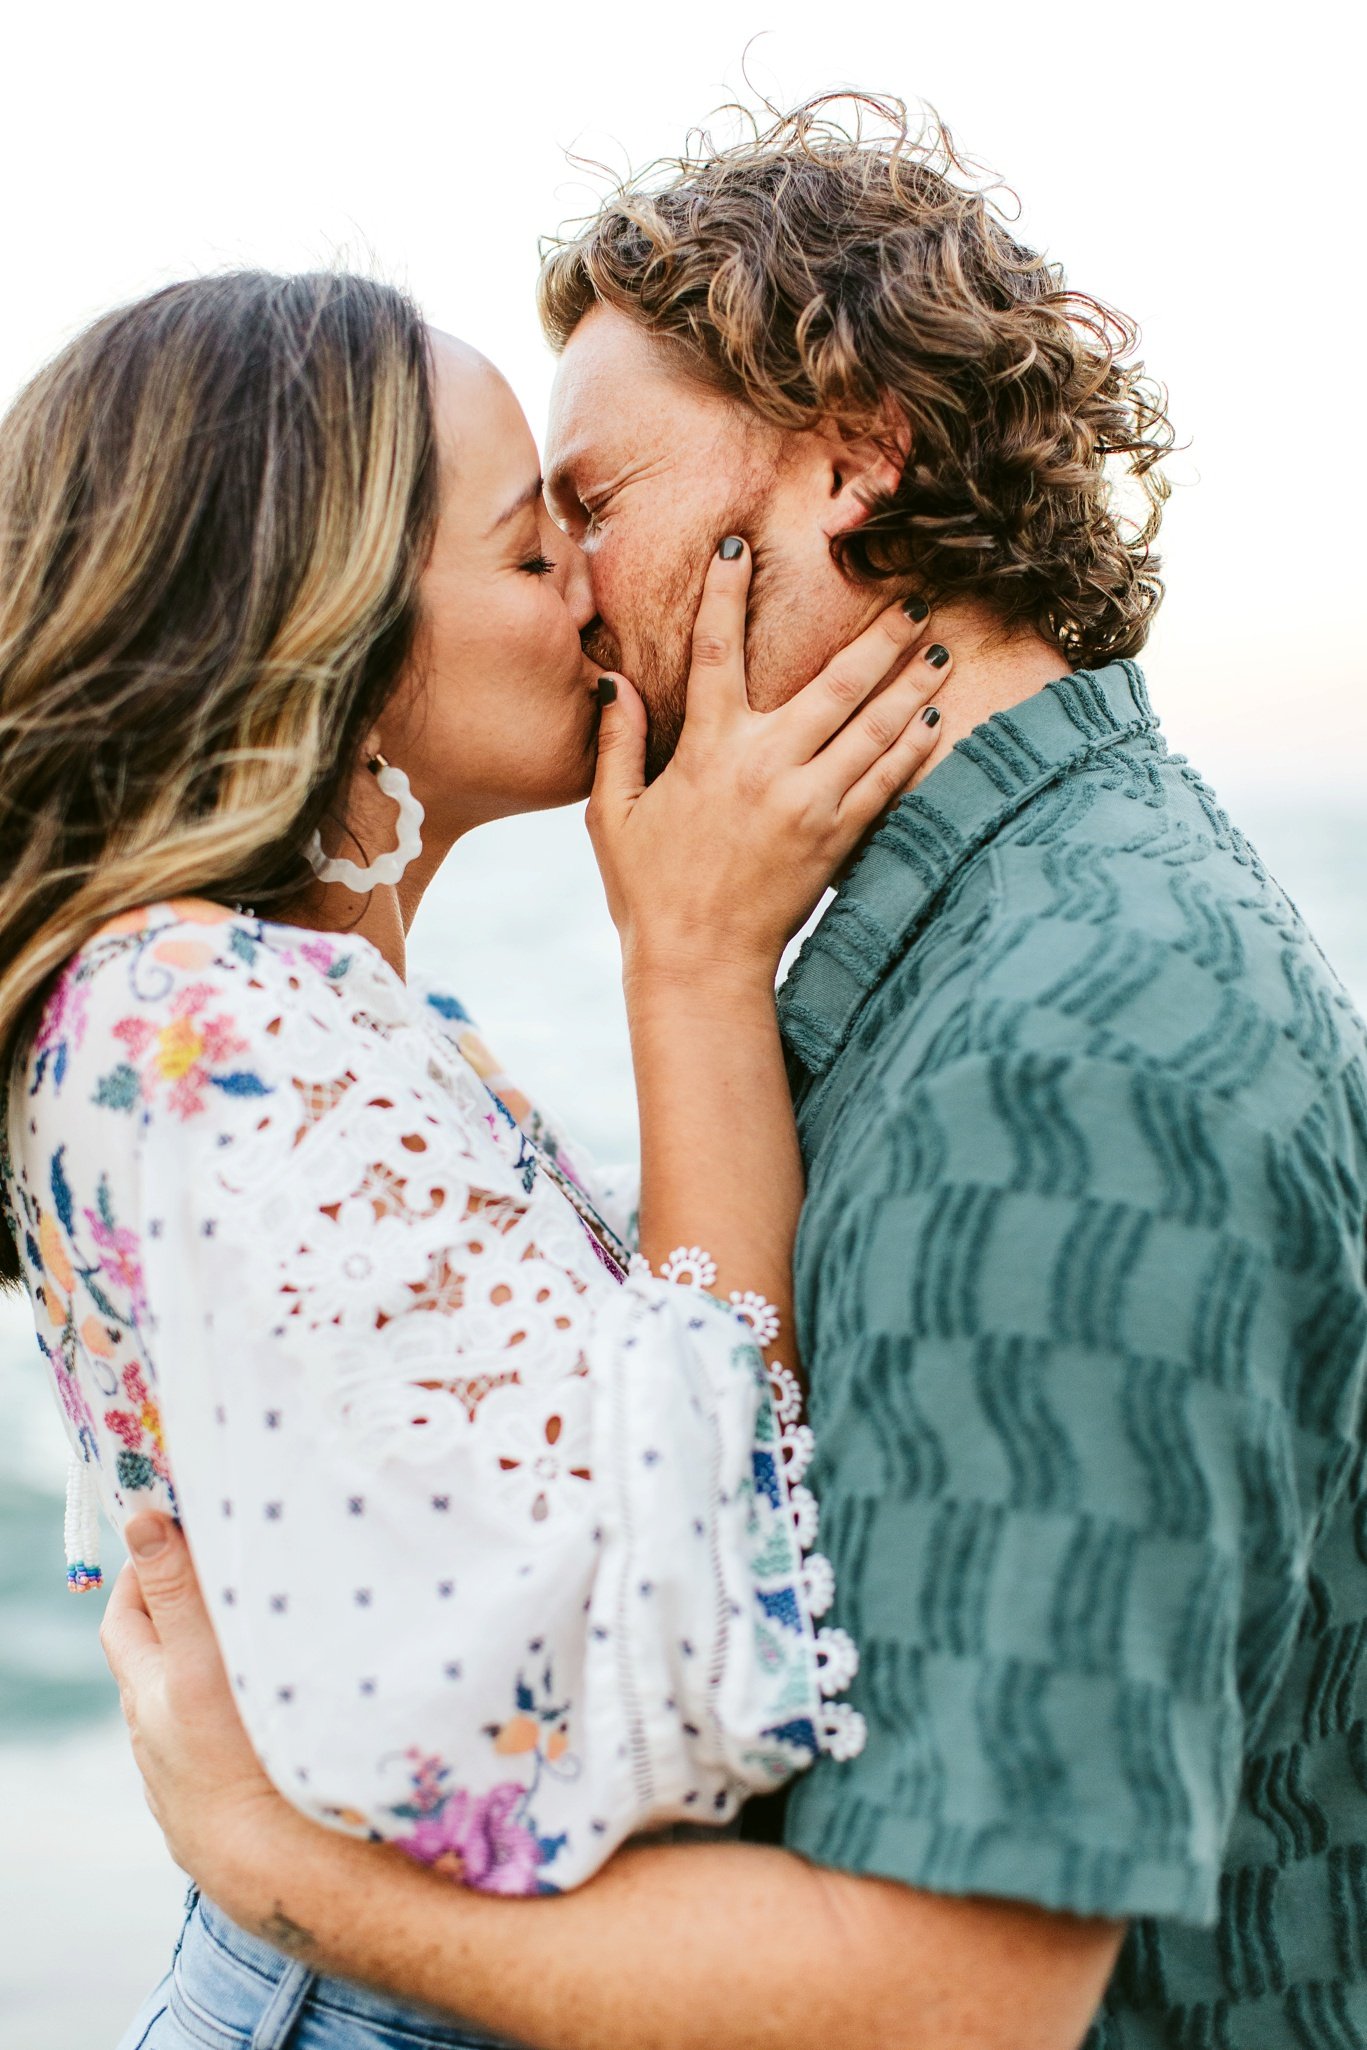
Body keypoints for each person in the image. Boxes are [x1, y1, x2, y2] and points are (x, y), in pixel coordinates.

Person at [106, 96, 1367, 2050]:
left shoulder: (1067, 1048)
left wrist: (286, 1875)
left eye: (587, 502)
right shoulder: (968, 953)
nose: (576, 593)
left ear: (851, 464)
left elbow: (952, 1993)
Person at [0, 268, 958, 2045]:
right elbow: (680, 1637)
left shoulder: (291, 1014)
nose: (598, 595)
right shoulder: (204, 1026)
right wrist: (691, 961)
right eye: (534, 554)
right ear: (322, 638)